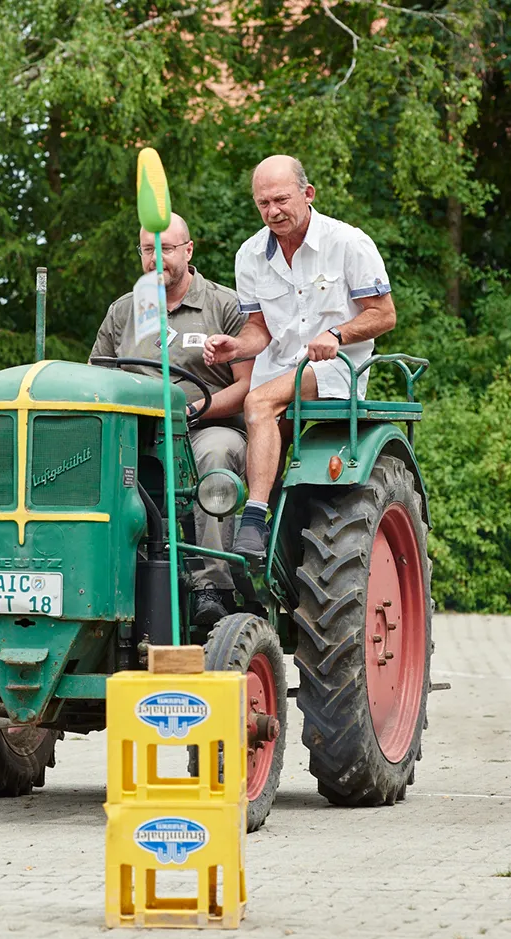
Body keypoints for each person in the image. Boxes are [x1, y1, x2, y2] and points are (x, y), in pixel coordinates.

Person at [203, 155, 397, 559]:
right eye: (263, 204)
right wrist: (236, 347)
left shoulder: (347, 242)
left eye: (281, 200)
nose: (272, 212)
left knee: (257, 401)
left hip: (335, 369)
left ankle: (253, 521)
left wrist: (337, 333)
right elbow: (260, 329)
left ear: (307, 194)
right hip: (281, 367)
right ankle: (255, 548)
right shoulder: (250, 255)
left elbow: (384, 314)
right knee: (253, 423)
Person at [90, 213, 253, 627]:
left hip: (207, 426)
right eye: (148, 249)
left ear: (187, 250)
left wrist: (196, 409)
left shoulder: (225, 305)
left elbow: (247, 387)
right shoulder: (124, 311)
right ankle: (100, 582)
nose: (155, 258)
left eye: (164, 248)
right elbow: (97, 378)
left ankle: (212, 587)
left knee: (214, 454)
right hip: (137, 435)